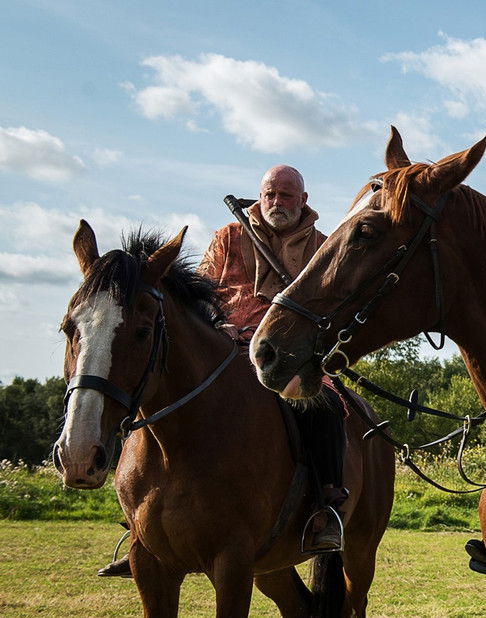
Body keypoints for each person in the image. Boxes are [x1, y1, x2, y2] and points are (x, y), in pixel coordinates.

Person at [98, 166, 347, 577]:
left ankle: (325, 507)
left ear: (304, 200)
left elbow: (331, 307)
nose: (277, 202)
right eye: (270, 194)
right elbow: (201, 294)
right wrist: (219, 322)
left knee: (326, 407)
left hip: (288, 356)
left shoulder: (323, 247)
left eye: (287, 195)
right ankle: (140, 522)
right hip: (222, 350)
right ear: (258, 197)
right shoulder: (230, 236)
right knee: (149, 395)